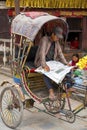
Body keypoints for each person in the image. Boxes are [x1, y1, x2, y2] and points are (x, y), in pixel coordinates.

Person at [34, 26, 68, 100]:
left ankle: (64, 87)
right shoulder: (44, 39)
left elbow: (60, 53)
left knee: (63, 69)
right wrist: (44, 65)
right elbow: (42, 53)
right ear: (53, 34)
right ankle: (51, 92)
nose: (58, 39)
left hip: (52, 62)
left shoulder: (56, 42)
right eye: (57, 37)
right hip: (41, 61)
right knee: (47, 72)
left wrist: (66, 63)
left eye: (59, 37)